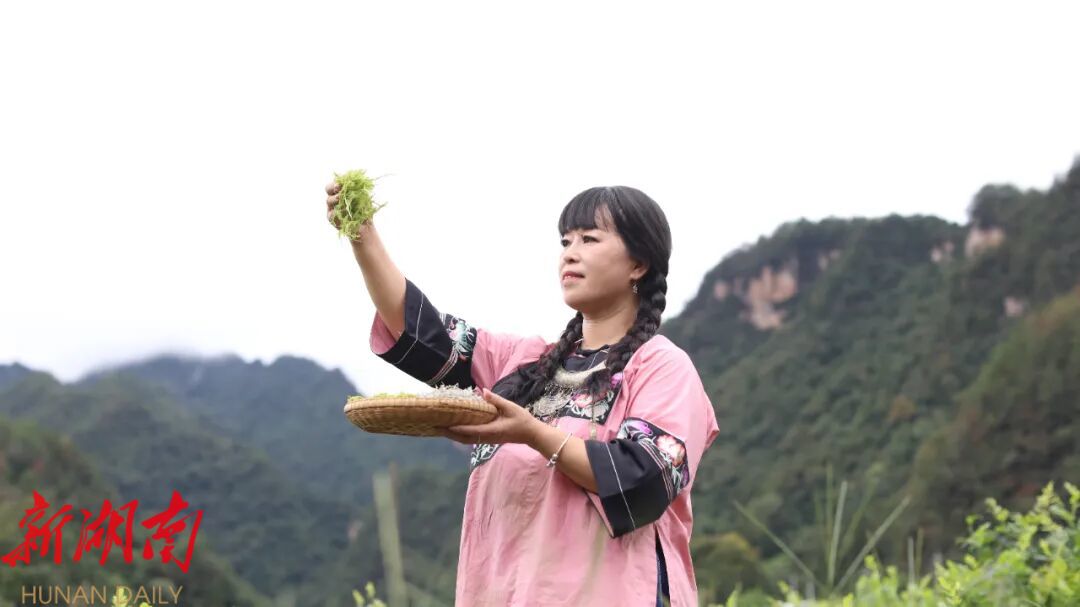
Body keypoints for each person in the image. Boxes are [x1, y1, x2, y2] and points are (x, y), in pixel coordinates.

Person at [325, 182, 720, 606]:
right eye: (565, 241)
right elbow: (421, 331)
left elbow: (645, 480)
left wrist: (532, 433)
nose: (570, 253)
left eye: (589, 239)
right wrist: (363, 237)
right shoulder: (521, 362)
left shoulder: (660, 367)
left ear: (638, 264)